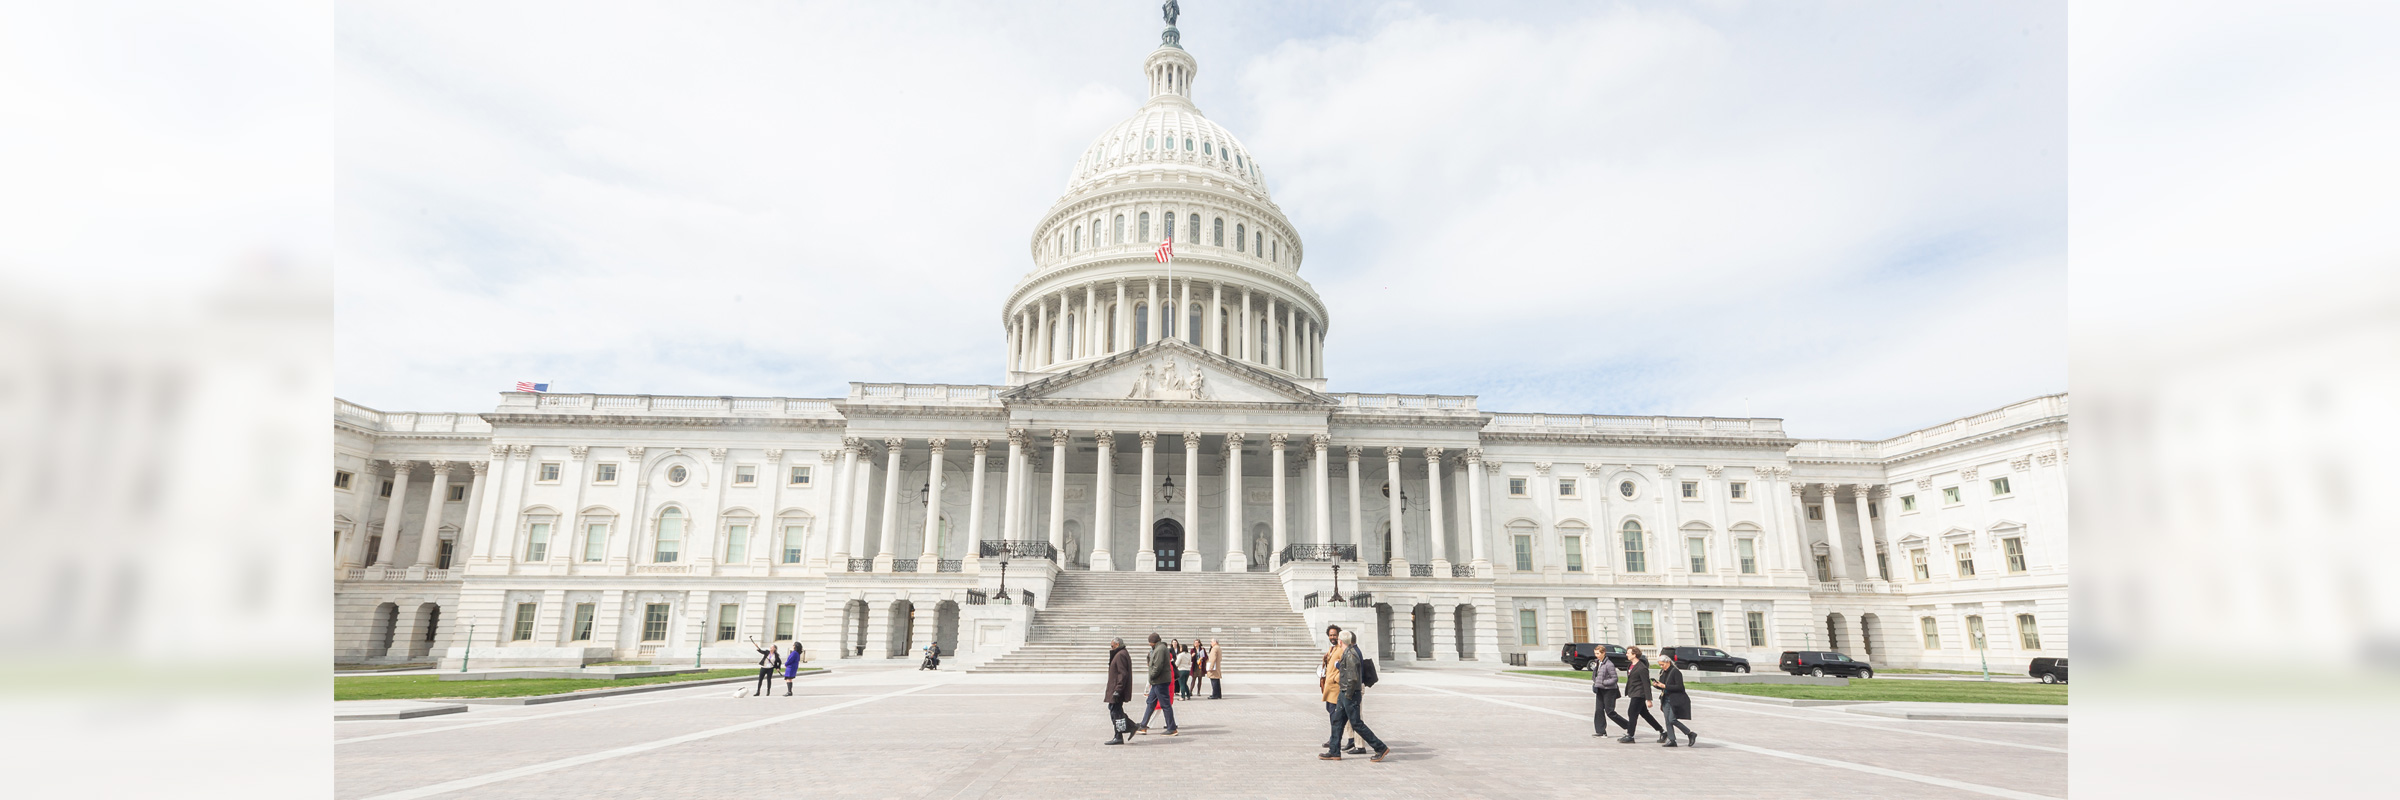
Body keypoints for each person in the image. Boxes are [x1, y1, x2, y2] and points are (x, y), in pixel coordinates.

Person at [1322, 630, 1389, 762]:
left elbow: (1352, 678)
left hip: (1350, 694)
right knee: (1337, 721)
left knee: (1356, 723)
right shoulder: (1347, 653)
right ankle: (1334, 751)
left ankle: (1380, 747)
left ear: (1341, 641)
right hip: (1344, 692)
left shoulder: (1351, 654)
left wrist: (1347, 695)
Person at [1135, 633, 1179, 735]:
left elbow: (1157, 666)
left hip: (1160, 681)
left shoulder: (1160, 649)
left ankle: (1172, 728)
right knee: (1150, 703)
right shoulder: (1160, 648)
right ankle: (1143, 725)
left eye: (1150, 642)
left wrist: (1152, 676)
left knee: (1165, 705)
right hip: (1157, 682)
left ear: (1153, 642)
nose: (1149, 644)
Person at [1619, 646, 1665, 743]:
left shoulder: (1641, 668)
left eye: (1628, 653)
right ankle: (1662, 731)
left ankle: (1630, 735)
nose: (1626, 654)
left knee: (1632, 713)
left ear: (1634, 654)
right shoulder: (1631, 665)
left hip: (1639, 693)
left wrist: (1648, 699)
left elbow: (1646, 684)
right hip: (1634, 692)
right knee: (1645, 714)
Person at [1656, 654, 1697, 747]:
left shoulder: (1675, 672)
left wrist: (1665, 686)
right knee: (1667, 720)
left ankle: (1690, 733)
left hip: (1676, 699)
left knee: (1672, 719)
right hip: (1665, 698)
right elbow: (1662, 685)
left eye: (1662, 664)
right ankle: (1672, 740)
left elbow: (1680, 687)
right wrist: (1657, 685)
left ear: (1668, 662)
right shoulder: (1663, 672)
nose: (1661, 667)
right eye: (1660, 665)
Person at [1103, 637, 1135, 745]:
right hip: (1116, 688)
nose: (1111, 648)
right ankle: (1122, 732)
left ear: (1117, 645)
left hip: (1117, 689)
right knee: (1116, 711)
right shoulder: (1120, 653)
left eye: (1112, 646)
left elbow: (1123, 674)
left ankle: (1123, 732)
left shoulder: (1120, 655)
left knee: (1116, 712)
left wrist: (1118, 690)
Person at [1591, 650, 1629, 737]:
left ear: (1603, 653)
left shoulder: (1609, 664)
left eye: (1598, 653)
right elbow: (1595, 675)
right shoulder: (1597, 663)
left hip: (1610, 690)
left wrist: (1603, 682)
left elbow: (1614, 678)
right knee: (1599, 710)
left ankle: (1628, 725)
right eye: (1595, 653)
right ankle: (1601, 731)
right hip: (1600, 690)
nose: (1596, 655)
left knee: (1610, 712)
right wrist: (1596, 682)